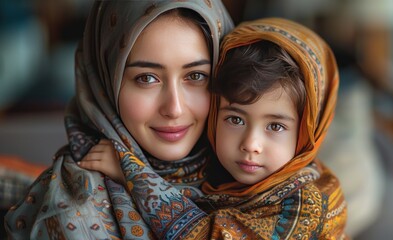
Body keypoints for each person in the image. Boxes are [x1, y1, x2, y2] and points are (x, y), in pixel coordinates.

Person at [79, 17, 348, 239]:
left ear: (309, 129)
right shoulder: (214, 173)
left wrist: (132, 173)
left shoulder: (307, 204)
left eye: (275, 126)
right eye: (235, 119)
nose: (250, 144)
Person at [4, 0, 233, 239]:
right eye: (146, 78)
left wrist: (133, 174)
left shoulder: (253, 174)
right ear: (105, 81)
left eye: (196, 75)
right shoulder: (75, 209)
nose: (174, 108)